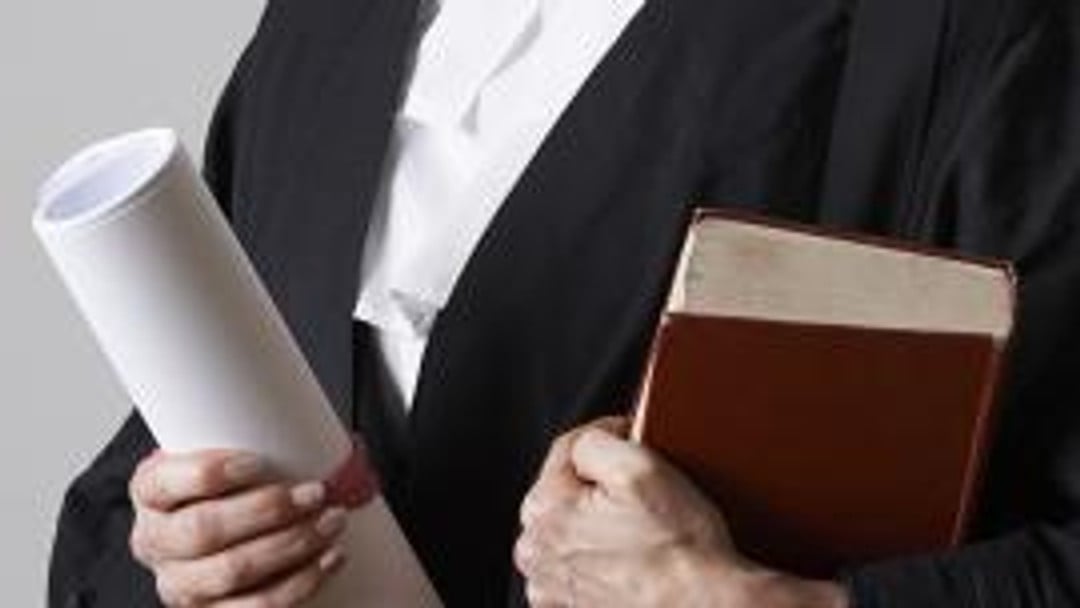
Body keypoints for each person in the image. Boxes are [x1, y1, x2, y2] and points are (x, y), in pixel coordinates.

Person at [48, 0, 1080, 605]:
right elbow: (134, 491)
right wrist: (183, 549)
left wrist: (788, 607)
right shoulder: (325, 28)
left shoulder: (980, 37)